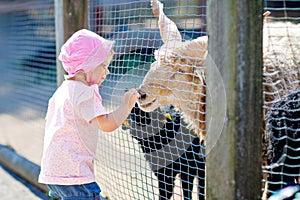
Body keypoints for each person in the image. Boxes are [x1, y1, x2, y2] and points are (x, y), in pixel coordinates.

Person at [38, 29, 140, 200]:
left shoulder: (63, 90)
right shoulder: (85, 92)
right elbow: (106, 124)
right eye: (103, 65)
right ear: (86, 65)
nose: (107, 72)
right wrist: (126, 105)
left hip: (54, 172)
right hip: (75, 175)